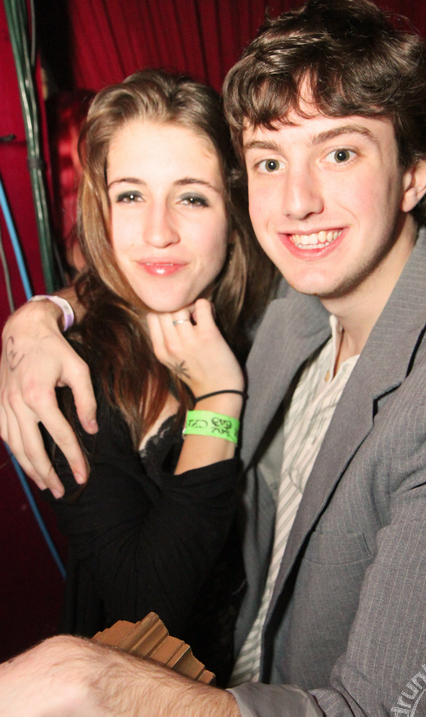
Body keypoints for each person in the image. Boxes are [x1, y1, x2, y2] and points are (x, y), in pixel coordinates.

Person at [0, 1, 426, 717]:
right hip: (212, 702)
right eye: (269, 161)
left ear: (415, 173)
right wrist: (39, 319)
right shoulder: (295, 296)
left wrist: (79, 680)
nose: (296, 201)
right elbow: (153, 267)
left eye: (340, 152)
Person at [9, 69, 274, 678]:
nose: (158, 232)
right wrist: (217, 400)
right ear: (102, 210)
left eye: (192, 197)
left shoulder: (269, 319)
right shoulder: (70, 374)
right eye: (130, 195)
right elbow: (145, 606)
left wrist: (46, 307)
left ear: (233, 210)